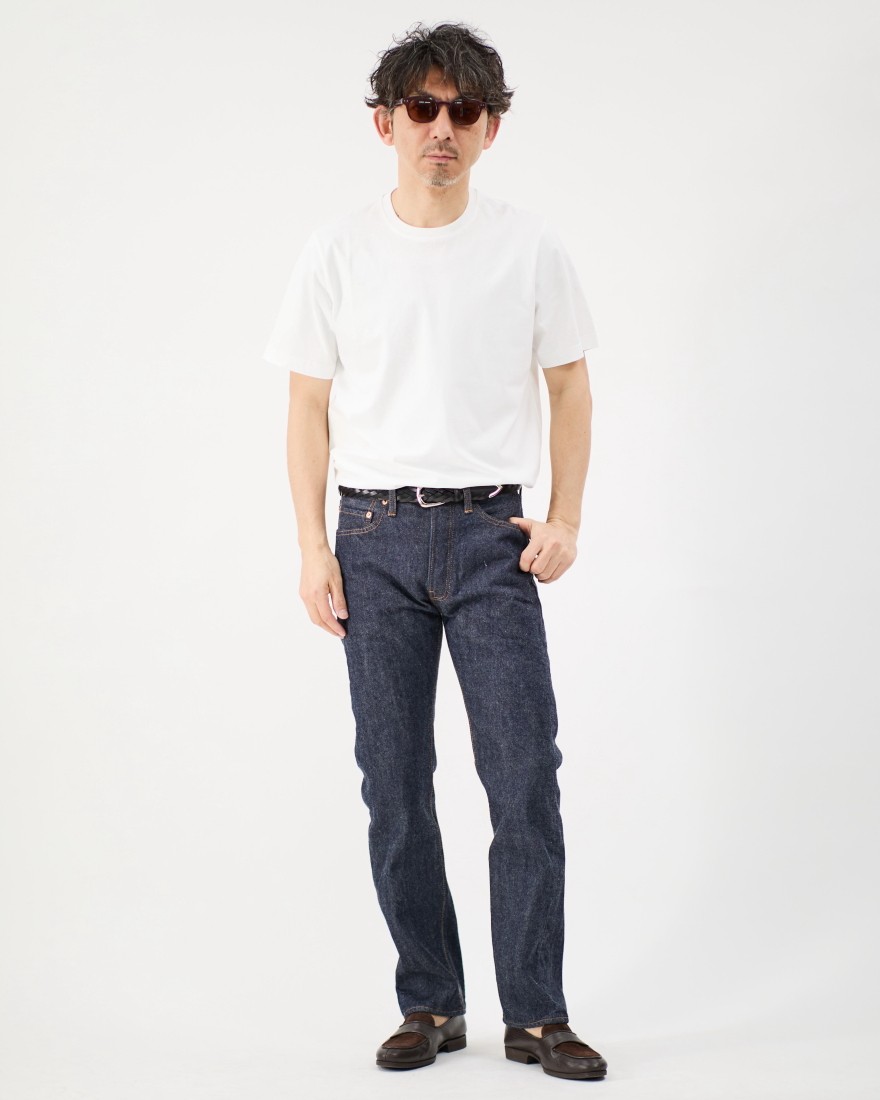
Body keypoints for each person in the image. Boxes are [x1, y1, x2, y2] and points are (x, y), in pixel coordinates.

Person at [262, 21, 608, 1082]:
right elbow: (307, 406)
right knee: (396, 783)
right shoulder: (338, 249)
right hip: (372, 538)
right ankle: (431, 1001)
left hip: (493, 532)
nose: (441, 128)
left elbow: (569, 386)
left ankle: (536, 1013)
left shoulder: (529, 246)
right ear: (386, 123)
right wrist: (312, 547)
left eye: (463, 110)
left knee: (524, 777)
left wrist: (565, 518)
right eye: (422, 107)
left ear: (491, 127)